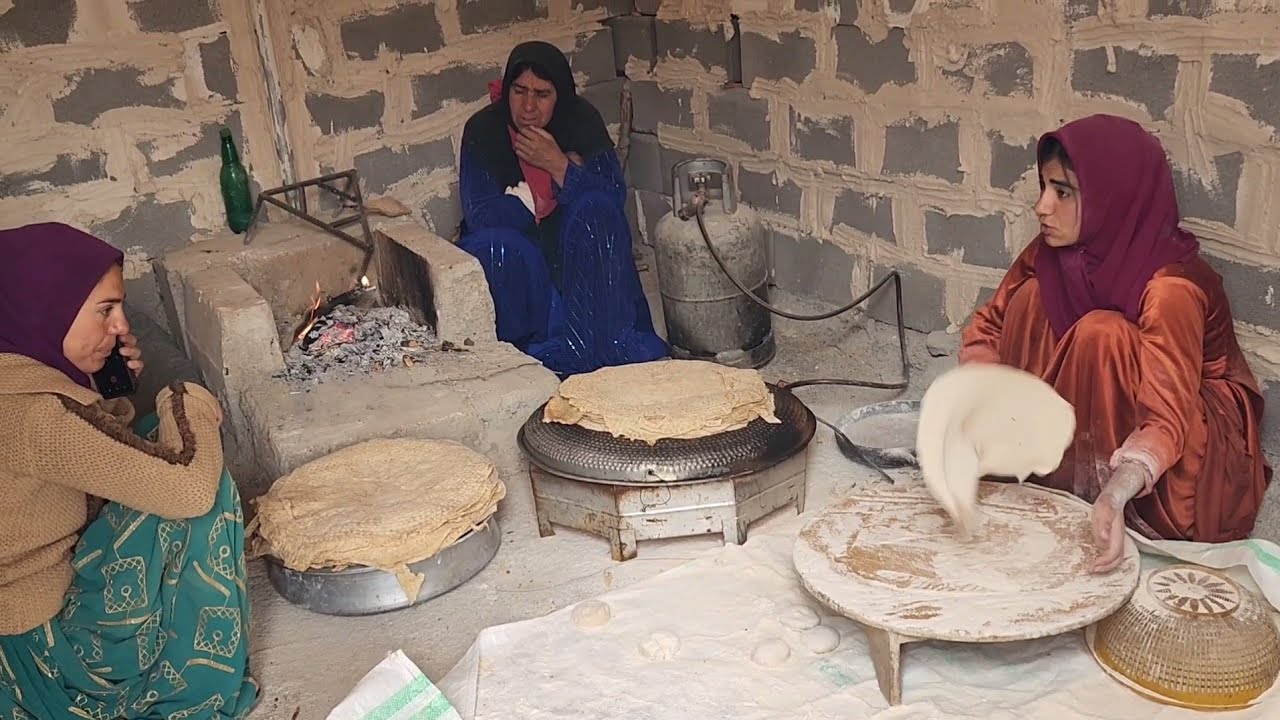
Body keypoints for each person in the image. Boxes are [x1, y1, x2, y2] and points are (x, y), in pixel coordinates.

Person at [960, 114, 1272, 574]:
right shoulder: (1055, 251)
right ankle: (1035, 459)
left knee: (1100, 334)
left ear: (1112, 199)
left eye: (1063, 192)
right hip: (1105, 405)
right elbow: (988, 328)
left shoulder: (1172, 288)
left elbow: (1168, 418)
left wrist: (1116, 491)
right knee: (1031, 299)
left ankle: (1094, 491)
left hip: (1188, 435)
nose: (1042, 207)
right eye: (1044, 187)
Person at [0, 223, 258, 719]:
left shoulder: (15, 381)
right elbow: (188, 490)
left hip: (21, 631)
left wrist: (100, 388)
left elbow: (85, 458)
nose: (120, 326)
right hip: (54, 661)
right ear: (44, 308)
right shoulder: (35, 415)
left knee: (154, 446)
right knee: (200, 480)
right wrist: (187, 399)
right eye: (105, 310)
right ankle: (188, 687)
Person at [457, 40, 668, 377]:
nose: (528, 106)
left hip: (575, 245)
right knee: (494, 246)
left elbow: (612, 195)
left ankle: (603, 343)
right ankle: (528, 357)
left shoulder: (580, 119)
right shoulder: (484, 129)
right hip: (521, 251)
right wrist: (532, 200)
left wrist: (559, 167)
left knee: (596, 210)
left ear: (560, 95)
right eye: (519, 91)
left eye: (542, 94)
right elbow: (480, 212)